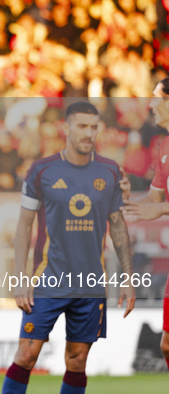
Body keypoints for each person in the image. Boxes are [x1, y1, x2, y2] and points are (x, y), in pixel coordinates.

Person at [1, 101, 135, 394]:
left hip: (90, 284)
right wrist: (20, 278)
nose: (89, 133)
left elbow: (119, 226)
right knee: (27, 354)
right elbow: (23, 227)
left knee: (77, 360)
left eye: (94, 127)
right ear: (66, 128)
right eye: (82, 126)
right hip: (48, 279)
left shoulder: (110, 171)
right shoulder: (41, 170)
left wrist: (127, 277)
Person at [121, 76, 169, 371]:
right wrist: (119, 202)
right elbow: (154, 199)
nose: (150, 104)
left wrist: (163, 208)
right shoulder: (163, 147)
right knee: (166, 344)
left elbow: (161, 206)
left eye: (157, 97)